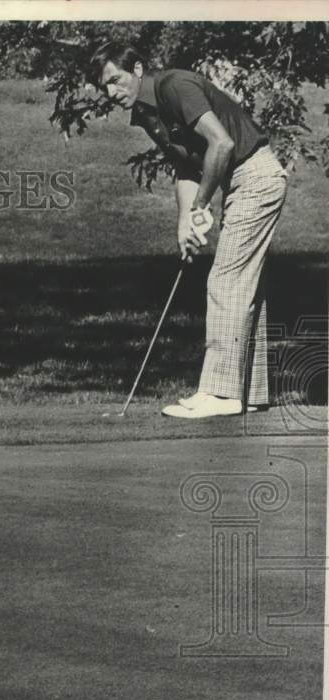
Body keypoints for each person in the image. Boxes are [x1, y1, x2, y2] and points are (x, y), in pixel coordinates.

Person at [89, 43, 288, 419]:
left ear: (137, 69)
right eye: (105, 88)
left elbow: (222, 144)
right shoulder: (146, 114)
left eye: (115, 81)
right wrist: (186, 222)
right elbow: (185, 168)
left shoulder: (174, 86)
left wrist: (202, 205)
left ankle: (220, 393)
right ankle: (250, 391)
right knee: (245, 285)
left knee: (226, 280)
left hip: (256, 175)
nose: (112, 93)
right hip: (240, 181)